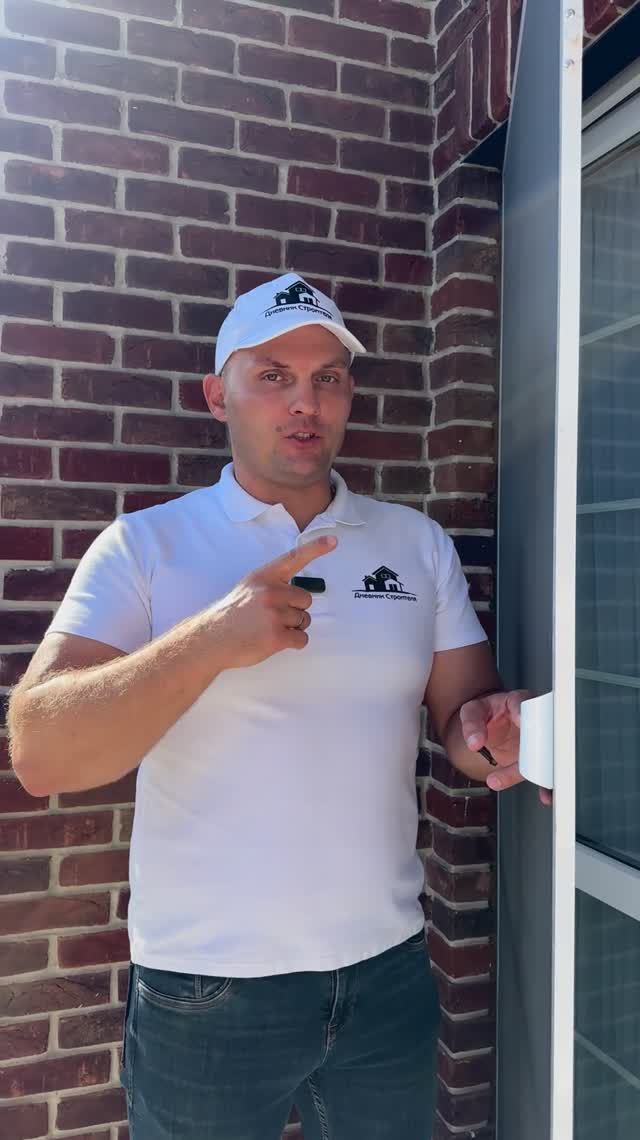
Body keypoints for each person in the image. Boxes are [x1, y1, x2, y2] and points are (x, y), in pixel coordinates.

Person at [8, 273, 543, 1140]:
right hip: (207, 990)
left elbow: (464, 720)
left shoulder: (415, 544)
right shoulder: (146, 546)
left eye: (328, 378)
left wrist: (496, 739)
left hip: (386, 971)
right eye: (273, 376)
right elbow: (40, 751)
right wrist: (212, 639)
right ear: (217, 395)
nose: (306, 402)